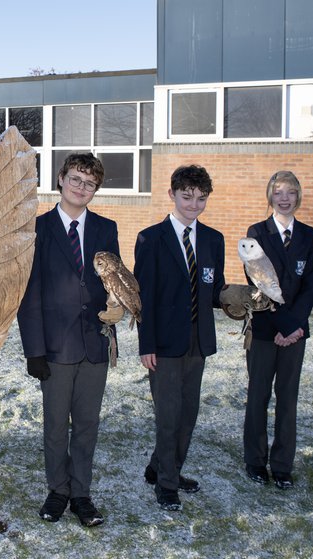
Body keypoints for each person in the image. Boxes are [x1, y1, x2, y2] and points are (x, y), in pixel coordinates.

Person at [17, 153, 119, 527]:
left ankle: (81, 494)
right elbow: (28, 292)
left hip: (94, 342)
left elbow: (114, 278)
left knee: (87, 425)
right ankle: (58, 490)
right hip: (55, 347)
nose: (81, 188)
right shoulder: (38, 229)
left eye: (89, 183)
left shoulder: (106, 229)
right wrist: (34, 350)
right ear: (61, 179)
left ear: (96, 189)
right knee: (56, 425)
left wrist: (117, 307)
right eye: (75, 179)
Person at [134, 164, 224, 511]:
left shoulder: (214, 240)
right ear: (172, 195)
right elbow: (146, 298)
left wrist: (236, 298)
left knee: (188, 414)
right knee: (169, 415)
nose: (194, 205)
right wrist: (147, 345)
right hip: (164, 345)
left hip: (197, 342)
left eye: (201, 199)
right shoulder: (151, 239)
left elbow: (214, 290)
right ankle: (167, 485)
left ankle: (162, 467)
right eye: (187, 197)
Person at [241, 171, 313, 490]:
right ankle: (256, 462)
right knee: (258, 396)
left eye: (290, 192)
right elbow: (256, 281)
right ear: (269, 196)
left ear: (298, 196)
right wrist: (280, 324)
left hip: (295, 333)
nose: (284, 198)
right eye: (278, 192)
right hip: (263, 329)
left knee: (288, 398)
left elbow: (312, 284)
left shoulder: (310, 235)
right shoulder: (256, 232)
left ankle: (283, 465)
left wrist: (293, 326)